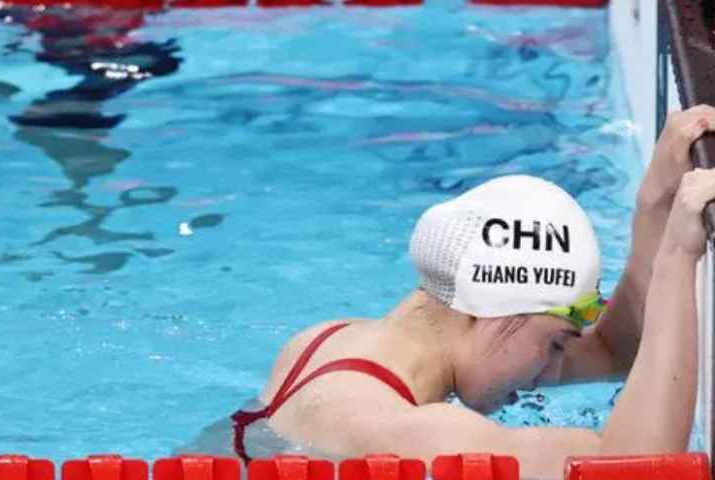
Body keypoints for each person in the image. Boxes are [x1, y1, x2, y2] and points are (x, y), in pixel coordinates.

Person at [180, 105, 715, 479]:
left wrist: (655, 200)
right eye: (555, 343)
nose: (551, 374)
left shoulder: (326, 344)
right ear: (498, 308)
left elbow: (616, 351)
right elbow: (637, 470)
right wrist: (677, 257)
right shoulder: (410, 434)